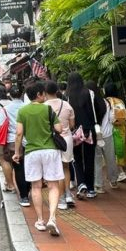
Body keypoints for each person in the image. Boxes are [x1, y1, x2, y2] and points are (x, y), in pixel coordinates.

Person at [13, 82, 65, 236]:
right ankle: (52, 218)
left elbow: (19, 133)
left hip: (31, 152)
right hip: (50, 150)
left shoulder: (22, 111)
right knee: (53, 186)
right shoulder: (48, 109)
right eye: (43, 93)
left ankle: (41, 221)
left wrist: (17, 152)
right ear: (39, 95)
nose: (44, 95)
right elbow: (59, 129)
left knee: (35, 187)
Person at [66, 72, 107, 200]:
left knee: (77, 158)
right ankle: (90, 188)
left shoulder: (68, 95)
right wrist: (96, 123)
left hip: (75, 131)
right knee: (89, 159)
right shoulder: (90, 93)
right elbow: (98, 110)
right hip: (89, 130)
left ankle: (81, 184)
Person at [45, 80, 76, 210]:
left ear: (45, 92)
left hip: (52, 140)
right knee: (66, 167)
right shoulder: (67, 105)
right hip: (67, 139)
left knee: (56, 170)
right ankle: (68, 194)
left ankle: (62, 199)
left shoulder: (44, 106)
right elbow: (72, 124)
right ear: (57, 91)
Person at [87, 80, 120, 193]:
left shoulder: (89, 103)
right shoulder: (107, 102)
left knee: (97, 160)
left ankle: (99, 185)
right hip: (107, 134)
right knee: (110, 158)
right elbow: (112, 118)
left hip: (95, 135)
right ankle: (113, 180)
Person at [3, 84, 31, 206]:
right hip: (29, 139)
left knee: (18, 168)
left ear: (9, 94)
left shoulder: (6, 109)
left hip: (12, 141)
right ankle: (28, 189)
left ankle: (24, 196)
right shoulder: (27, 107)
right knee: (29, 167)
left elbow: (0, 125)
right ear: (22, 94)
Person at [104, 82, 126, 180]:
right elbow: (125, 118)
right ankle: (120, 172)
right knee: (120, 150)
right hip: (122, 129)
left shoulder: (107, 101)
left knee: (113, 152)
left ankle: (120, 173)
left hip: (112, 129)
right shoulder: (120, 101)